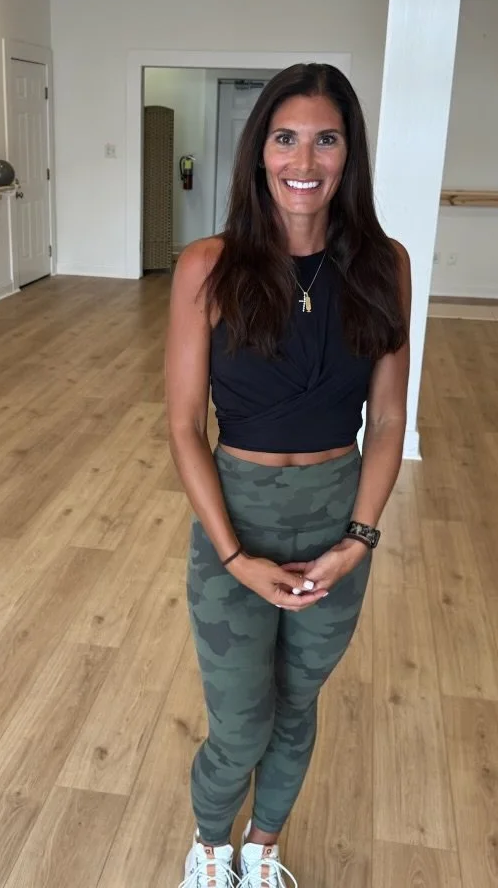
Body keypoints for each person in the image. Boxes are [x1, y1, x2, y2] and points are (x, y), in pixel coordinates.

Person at [165, 62, 411, 888]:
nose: (304, 159)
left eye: (326, 138)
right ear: (258, 151)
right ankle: (209, 847)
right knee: (241, 720)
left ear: (349, 154)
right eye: (285, 137)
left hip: (335, 523)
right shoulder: (208, 265)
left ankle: (262, 850)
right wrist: (234, 556)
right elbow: (181, 426)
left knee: (298, 707)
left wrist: (359, 541)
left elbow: (388, 424)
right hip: (235, 521)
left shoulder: (385, 265)